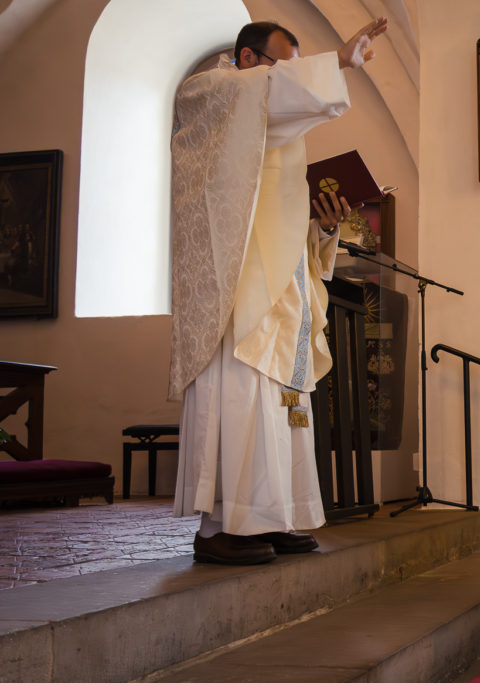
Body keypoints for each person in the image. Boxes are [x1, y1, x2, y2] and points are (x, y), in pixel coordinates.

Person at [169, 18, 388, 565]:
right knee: (242, 400)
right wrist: (335, 62)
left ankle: (277, 515)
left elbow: (287, 213)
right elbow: (265, 101)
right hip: (238, 285)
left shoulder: (278, 131)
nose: (289, 78)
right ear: (247, 59)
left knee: (283, 410)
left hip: (285, 283)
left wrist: (326, 226)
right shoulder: (209, 93)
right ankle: (223, 525)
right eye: (281, 65)